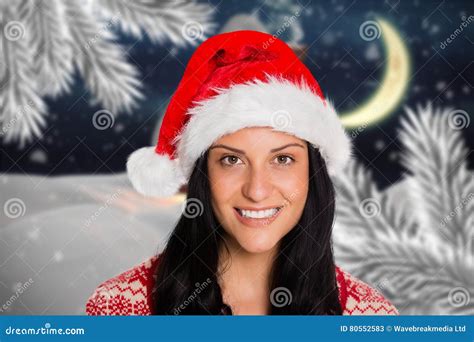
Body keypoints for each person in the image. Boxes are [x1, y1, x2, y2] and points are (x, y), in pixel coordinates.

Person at [86, 30, 398, 315]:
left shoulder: (372, 317)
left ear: (312, 173)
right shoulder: (118, 309)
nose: (257, 190)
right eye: (232, 161)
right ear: (202, 176)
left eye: (283, 159)